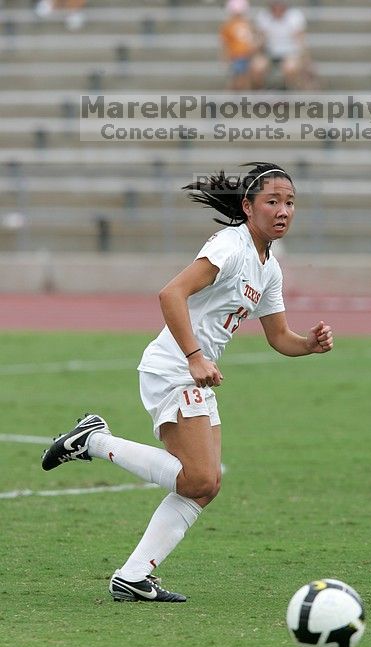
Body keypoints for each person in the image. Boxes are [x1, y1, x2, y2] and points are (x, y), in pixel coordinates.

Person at [41, 162, 334, 602]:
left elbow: (279, 338)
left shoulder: (269, 267)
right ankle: (94, 441)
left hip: (197, 372)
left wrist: (307, 344)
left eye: (290, 202)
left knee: (205, 485)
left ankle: (134, 576)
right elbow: (170, 293)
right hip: (174, 368)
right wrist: (195, 356)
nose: (283, 211)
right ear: (247, 207)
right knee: (198, 479)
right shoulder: (229, 246)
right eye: (272, 201)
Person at [254, 0, 319, 90]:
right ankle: (261, 91)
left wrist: (306, 60)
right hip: (269, 52)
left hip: (290, 53)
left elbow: (300, 41)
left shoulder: (295, 16)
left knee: (289, 68)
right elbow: (260, 41)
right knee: (258, 67)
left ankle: (286, 91)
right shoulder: (264, 16)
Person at [219, 0, 260, 91]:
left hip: (248, 55)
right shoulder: (228, 26)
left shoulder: (248, 24)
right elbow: (225, 44)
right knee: (237, 79)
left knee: (246, 78)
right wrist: (225, 58)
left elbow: (255, 39)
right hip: (236, 56)